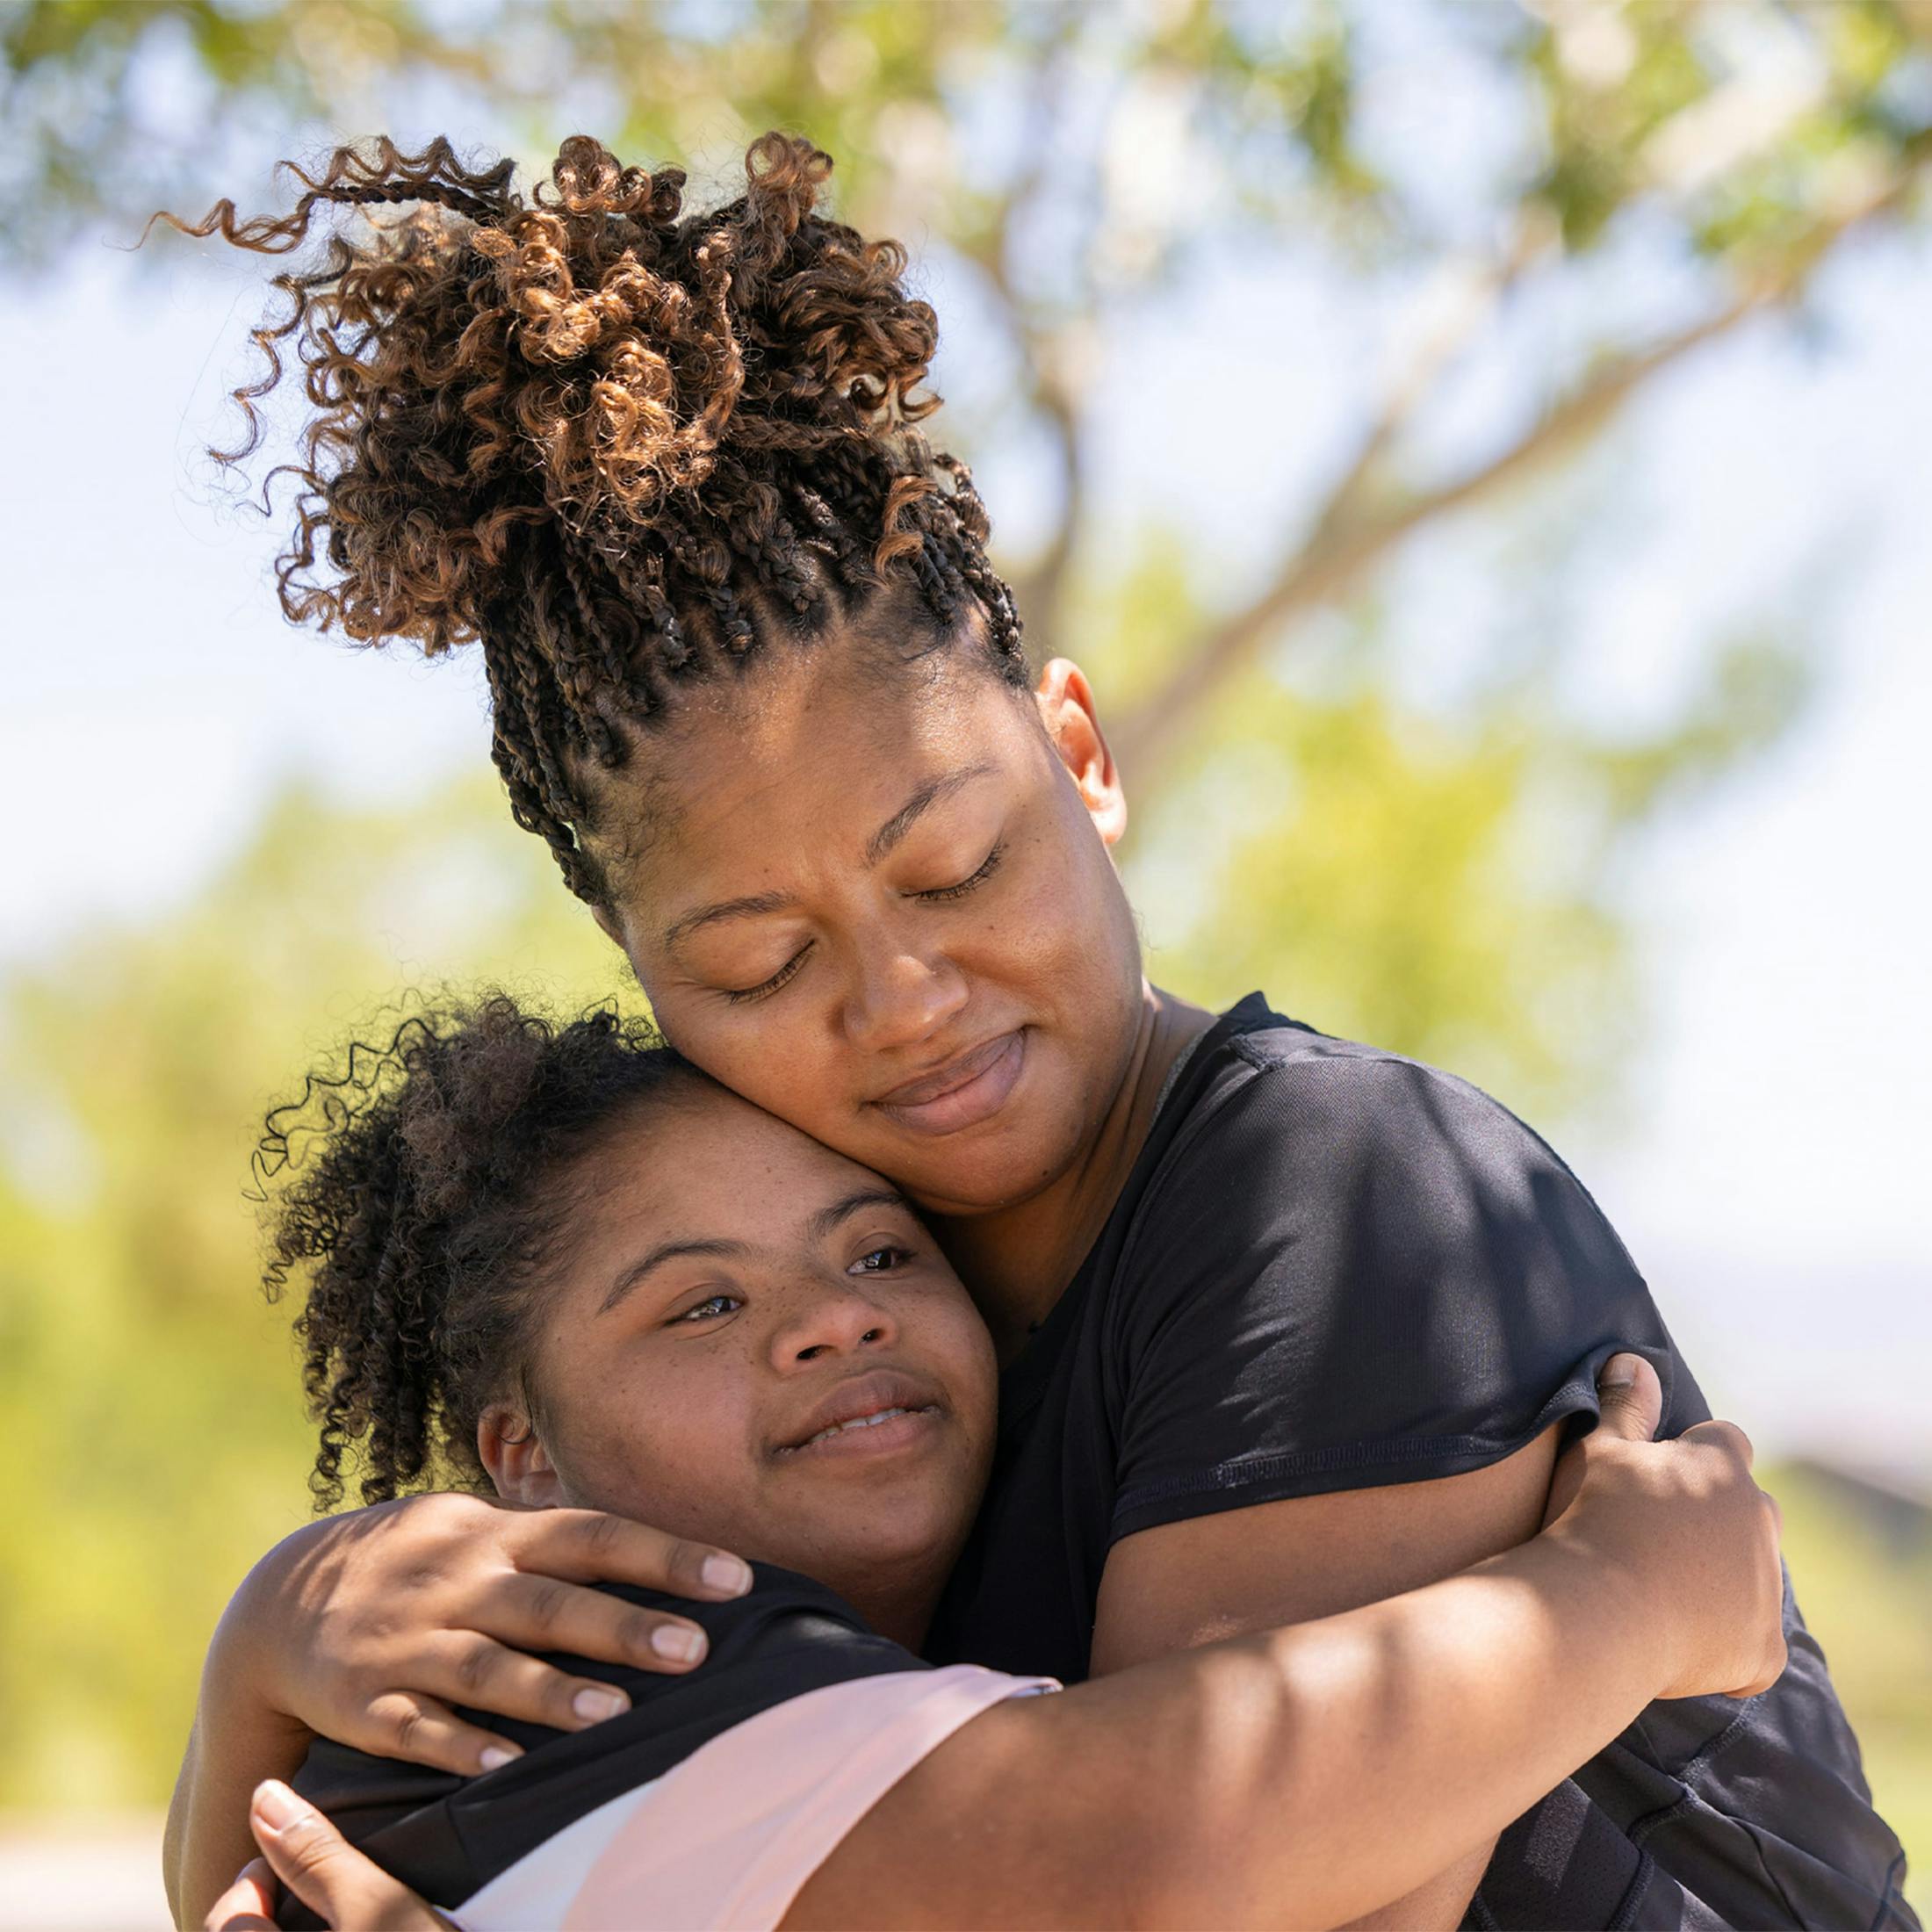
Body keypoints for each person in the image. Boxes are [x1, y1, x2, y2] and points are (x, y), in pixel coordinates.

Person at [157, 130, 1914, 1930]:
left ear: (1077, 754)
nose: (903, 999)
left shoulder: (1334, 1195)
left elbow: (1162, 1871)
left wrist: (1620, 1597)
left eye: (957, 863)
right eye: (760, 962)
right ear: (641, 969)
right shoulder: (798, 1376)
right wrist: (260, 1654)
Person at [217, 991, 1784, 1932]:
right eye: (704, 1302)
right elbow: (1165, 1846)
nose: (832, 1321)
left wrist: (253, 1662)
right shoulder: (618, 1673)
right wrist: (1625, 1598)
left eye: (885, 1255)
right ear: (524, 1457)